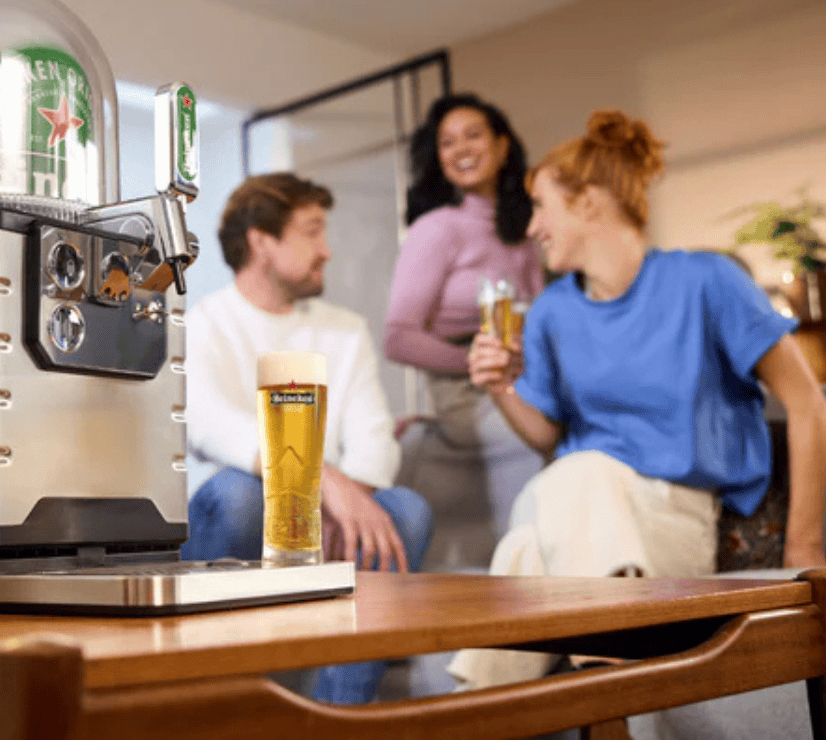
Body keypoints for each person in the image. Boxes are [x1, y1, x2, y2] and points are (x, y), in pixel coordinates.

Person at [449, 110, 826, 689]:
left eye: (542, 207)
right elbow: (545, 435)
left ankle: (479, 705)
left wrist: (805, 544)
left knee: (531, 542)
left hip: (673, 516)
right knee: (572, 483)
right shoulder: (551, 312)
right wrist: (500, 387)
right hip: (579, 507)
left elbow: (807, 400)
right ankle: (607, 673)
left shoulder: (705, 281)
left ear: (589, 203)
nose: (532, 228)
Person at [181, 171, 433, 705]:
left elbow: (374, 438)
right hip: (243, 513)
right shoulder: (205, 322)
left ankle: (334, 717)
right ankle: (213, 710)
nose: (328, 250)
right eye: (312, 232)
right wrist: (324, 481)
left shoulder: (345, 330)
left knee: (407, 510)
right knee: (241, 498)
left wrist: (343, 496)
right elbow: (210, 425)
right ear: (261, 242)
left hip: (321, 518)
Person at [383, 93, 544, 568]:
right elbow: (398, 336)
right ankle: (525, 575)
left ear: (502, 145)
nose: (460, 149)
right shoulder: (436, 229)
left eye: (473, 134)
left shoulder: (527, 233)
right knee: (530, 436)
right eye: (446, 142)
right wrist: (478, 363)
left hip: (522, 379)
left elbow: (539, 320)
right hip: (465, 391)